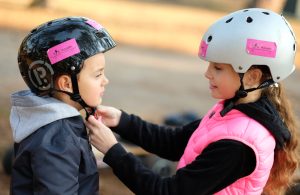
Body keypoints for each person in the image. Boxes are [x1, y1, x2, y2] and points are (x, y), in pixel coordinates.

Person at [85, 8, 299, 195]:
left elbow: (166, 192)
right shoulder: (234, 111)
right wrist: (122, 120)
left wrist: (112, 150)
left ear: (252, 77)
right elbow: (177, 142)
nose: (207, 74)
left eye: (218, 68)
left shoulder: (239, 146)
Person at [9, 16, 116, 194]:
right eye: (98, 75)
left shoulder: (51, 125)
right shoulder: (58, 139)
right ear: (66, 84)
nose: (106, 81)